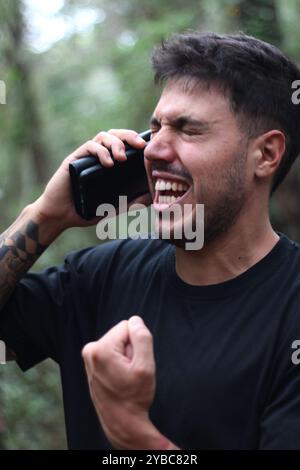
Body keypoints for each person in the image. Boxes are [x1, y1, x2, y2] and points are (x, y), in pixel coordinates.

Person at [1, 30, 300, 450]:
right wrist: (46, 215)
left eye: (188, 130)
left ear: (266, 155)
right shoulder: (98, 276)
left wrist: (128, 429)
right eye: (154, 127)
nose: (153, 150)